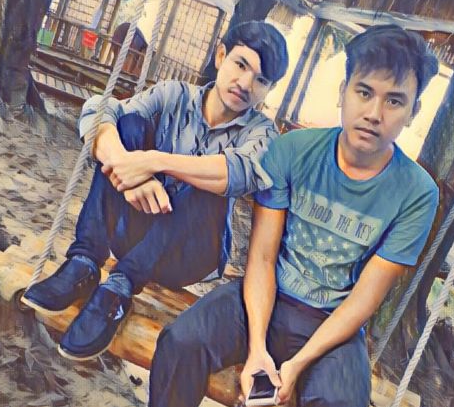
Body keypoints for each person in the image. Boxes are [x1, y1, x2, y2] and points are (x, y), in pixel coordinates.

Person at [104, 24, 440, 407]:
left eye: (394, 101)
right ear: (344, 92)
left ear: (412, 112)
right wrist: (259, 348)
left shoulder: (416, 194)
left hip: (333, 322)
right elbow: (261, 257)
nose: (374, 113)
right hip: (264, 296)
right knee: (180, 343)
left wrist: (299, 363)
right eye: (364, 92)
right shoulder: (293, 151)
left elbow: (364, 300)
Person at [21, 21, 289, 360]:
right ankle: (84, 261)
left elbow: (241, 172)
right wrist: (126, 166)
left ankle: (118, 290)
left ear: (269, 89)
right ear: (221, 56)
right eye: (241, 64)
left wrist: (152, 162)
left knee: (210, 182)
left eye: (261, 80)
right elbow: (98, 111)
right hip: (135, 229)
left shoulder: (263, 133)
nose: (246, 83)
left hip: (189, 255)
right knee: (127, 127)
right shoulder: (174, 95)